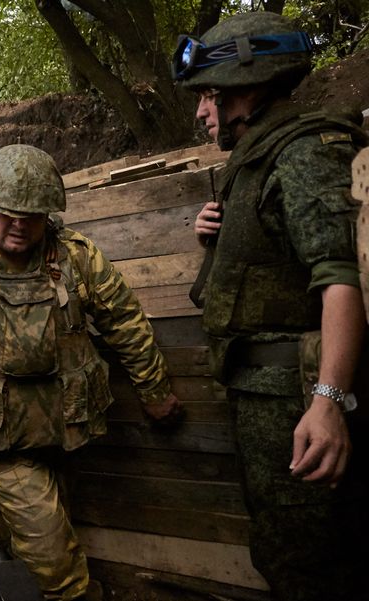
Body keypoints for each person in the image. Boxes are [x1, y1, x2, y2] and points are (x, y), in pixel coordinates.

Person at [0, 144, 182, 601]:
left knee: (46, 533)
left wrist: (154, 388)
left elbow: (124, 321)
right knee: (51, 548)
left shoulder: (76, 255)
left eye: (33, 214)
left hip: (66, 426)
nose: (19, 225)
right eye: (7, 214)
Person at [173, 11, 368, 601]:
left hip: (299, 404)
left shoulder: (306, 149)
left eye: (209, 95)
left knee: (312, 563)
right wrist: (223, 236)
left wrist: (327, 403)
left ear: (248, 87)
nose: (202, 113)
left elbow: (343, 278)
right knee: (288, 551)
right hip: (271, 400)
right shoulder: (263, 156)